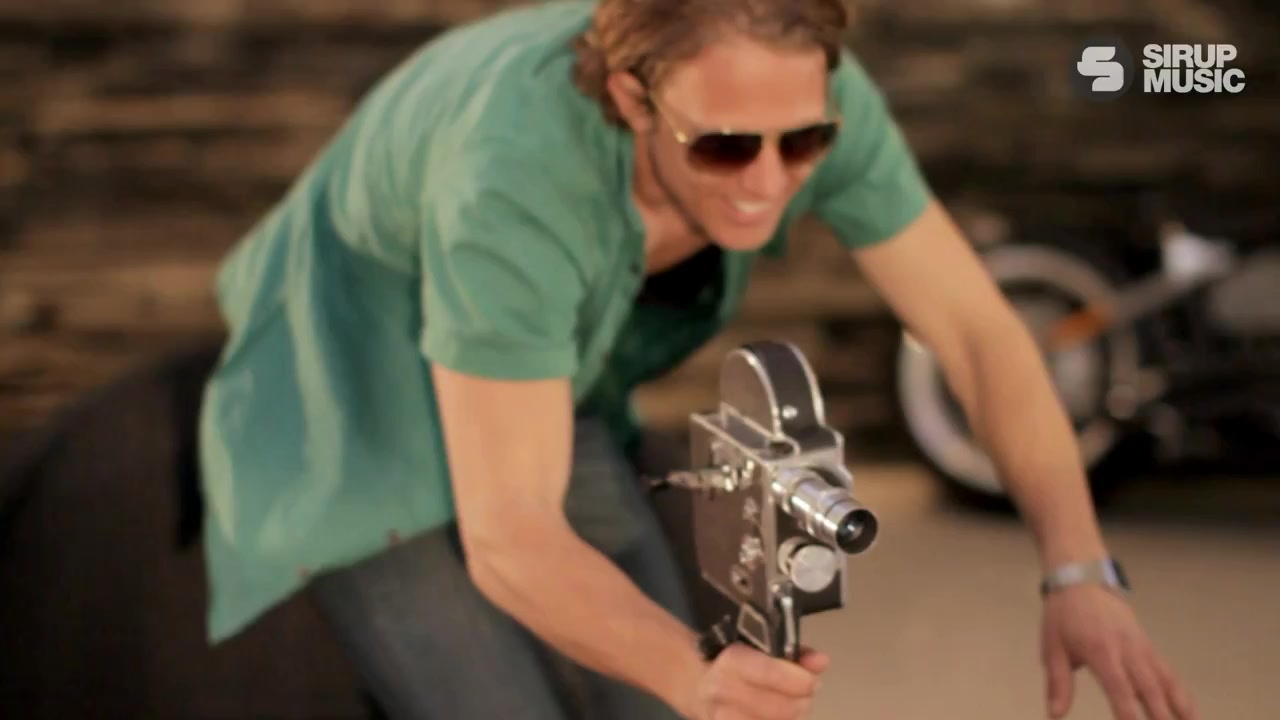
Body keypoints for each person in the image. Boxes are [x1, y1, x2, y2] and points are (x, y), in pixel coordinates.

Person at [196, 1, 1199, 718]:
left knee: (658, 689)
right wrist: (693, 674)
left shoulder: (801, 97)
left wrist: (1078, 571)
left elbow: (979, 337)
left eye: (801, 143)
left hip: (530, 370)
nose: (768, 183)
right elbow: (512, 541)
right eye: (724, 147)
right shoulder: (515, 177)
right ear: (633, 101)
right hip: (355, 386)